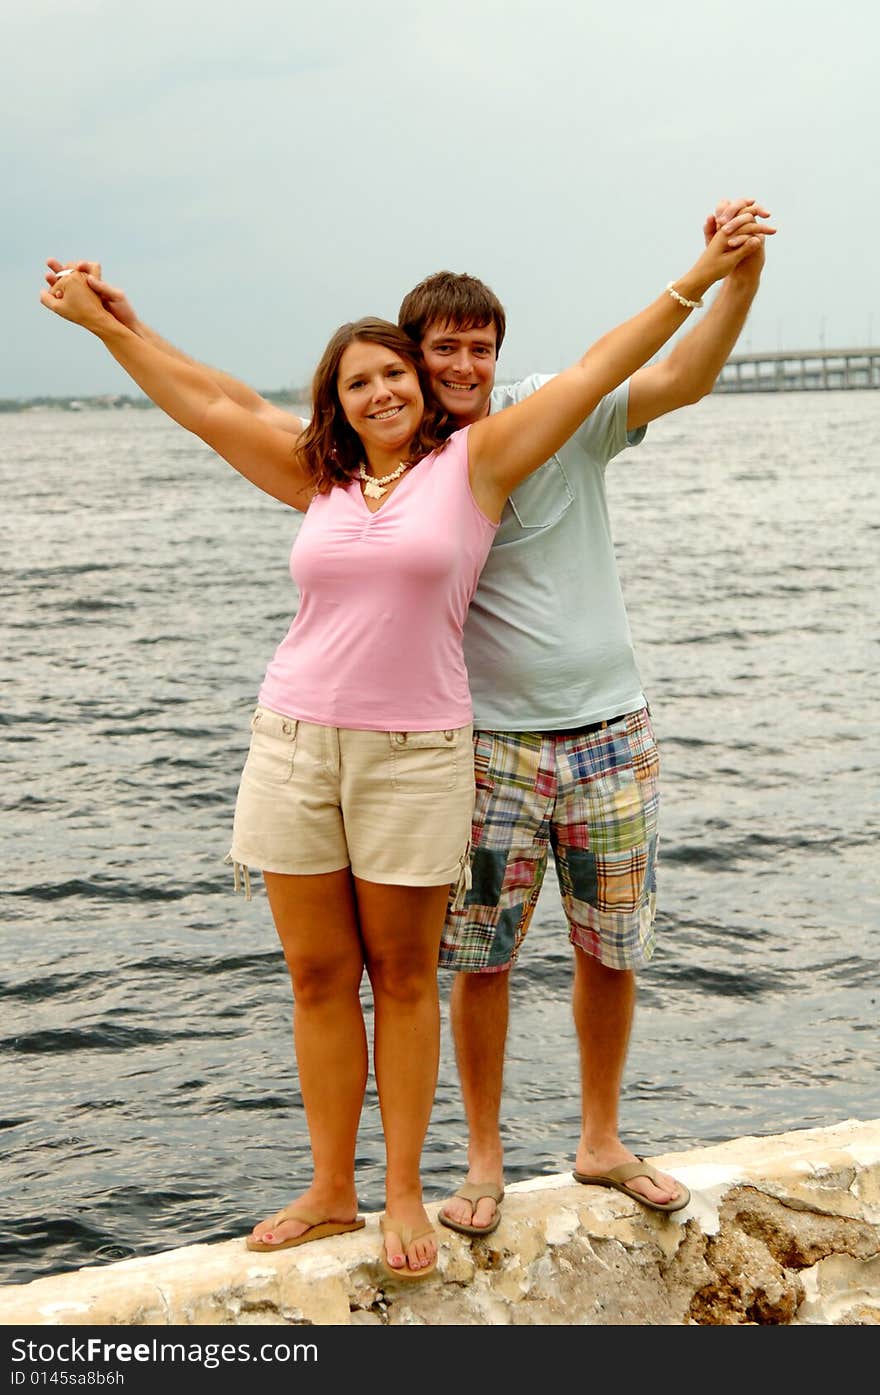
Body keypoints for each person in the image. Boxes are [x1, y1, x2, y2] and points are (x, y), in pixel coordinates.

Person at [42, 200, 770, 1263]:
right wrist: (114, 327)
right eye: (367, 377)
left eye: (402, 372)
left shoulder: (476, 465)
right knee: (318, 979)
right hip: (295, 744)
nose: (389, 388)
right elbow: (210, 404)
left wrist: (703, 273)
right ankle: (332, 1191)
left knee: (411, 976)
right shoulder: (320, 477)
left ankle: (405, 1194)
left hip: (427, 751)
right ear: (346, 397)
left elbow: (600, 366)